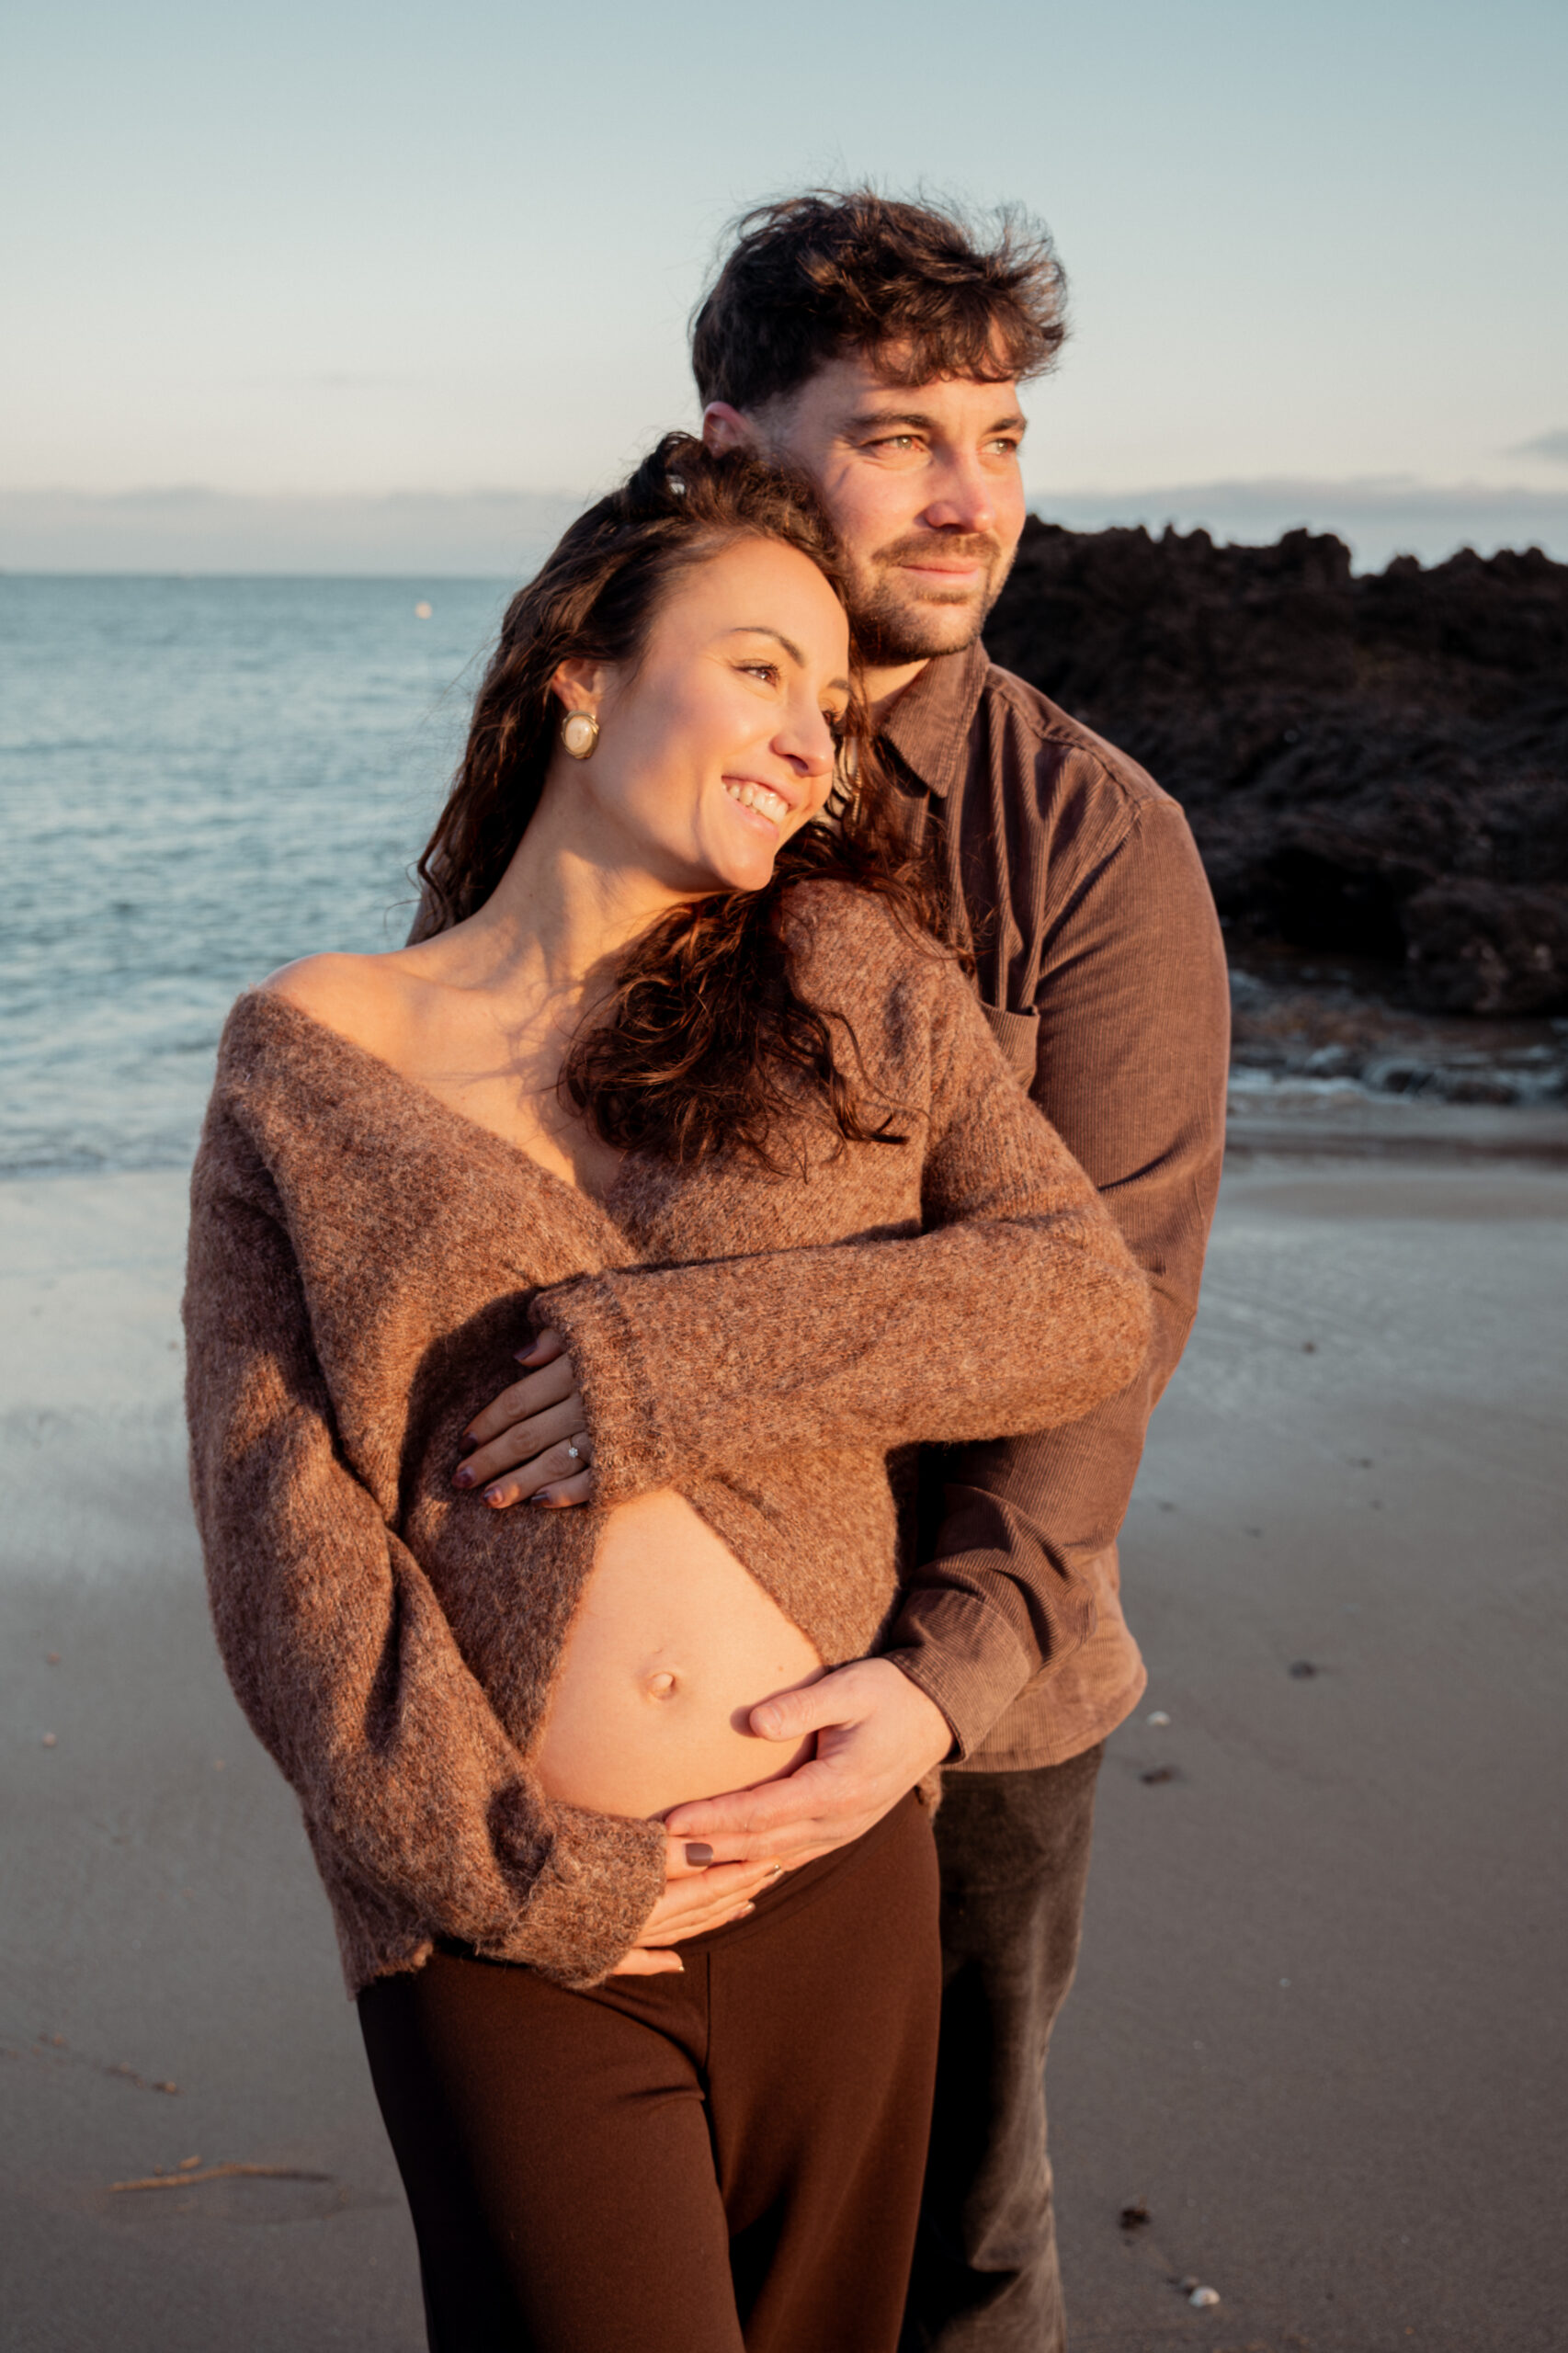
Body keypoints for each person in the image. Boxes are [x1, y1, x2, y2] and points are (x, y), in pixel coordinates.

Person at [183, 438, 1153, 2353]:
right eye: (762, 666)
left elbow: (1074, 1297)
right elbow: (285, 1548)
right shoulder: (308, 1055)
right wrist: (509, 1876)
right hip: (510, 1917)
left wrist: (661, 1366)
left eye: (832, 697)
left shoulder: (847, 973)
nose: (814, 737)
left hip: (831, 1869)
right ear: (582, 670)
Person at [453, 195, 1231, 2351]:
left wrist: (931, 1676)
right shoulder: (601, 774)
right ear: (736, 444)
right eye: (899, 431)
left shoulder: (1091, 845)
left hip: (942, 1700)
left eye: (998, 431)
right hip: (597, 1688)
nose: (974, 492)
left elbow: (1101, 1316)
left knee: (942, 2258)